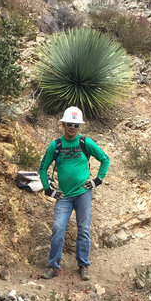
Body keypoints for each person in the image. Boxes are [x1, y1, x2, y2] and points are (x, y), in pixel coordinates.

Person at [38, 106, 110, 281]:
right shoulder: (56, 145)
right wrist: (48, 189)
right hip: (64, 195)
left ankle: (83, 265)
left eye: (76, 125)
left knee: (84, 229)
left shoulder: (86, 143)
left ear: (80, 127)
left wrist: (97, 180)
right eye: (69, 123)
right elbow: (42, 168)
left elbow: (105, 159)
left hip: (83, 193)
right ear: (63, 124)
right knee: (58, 228)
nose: (72, 127)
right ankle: (53, 266)